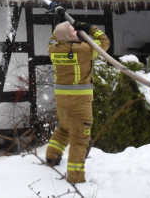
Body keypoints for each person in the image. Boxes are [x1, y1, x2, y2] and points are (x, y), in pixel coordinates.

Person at [45, 18, 110, 184]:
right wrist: (90, 27)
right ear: (67, 35)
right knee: (80, 140)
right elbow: (104, 43)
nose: (76, 32)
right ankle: (75, 178)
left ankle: (51, 157)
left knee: (65, 128)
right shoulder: (84, 50)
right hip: (80, 102)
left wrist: (62, 23)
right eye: (73, 31)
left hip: (62, 101)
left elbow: (54, 37)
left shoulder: (53, 49)